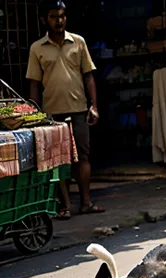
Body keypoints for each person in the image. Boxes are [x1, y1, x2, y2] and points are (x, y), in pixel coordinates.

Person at [26, 0, 104, 218]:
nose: (58, 20)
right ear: (45, 20)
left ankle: (86, 202)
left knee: (83, 157)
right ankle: (64, 206)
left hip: (79, 108)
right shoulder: (37, 48)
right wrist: (35, 114)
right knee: (58, 161)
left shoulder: (78, 42)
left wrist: (94, 106)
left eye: (61, 16)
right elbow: (34, 83)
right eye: (53, 16)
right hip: (51, 113)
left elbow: (89, 76)